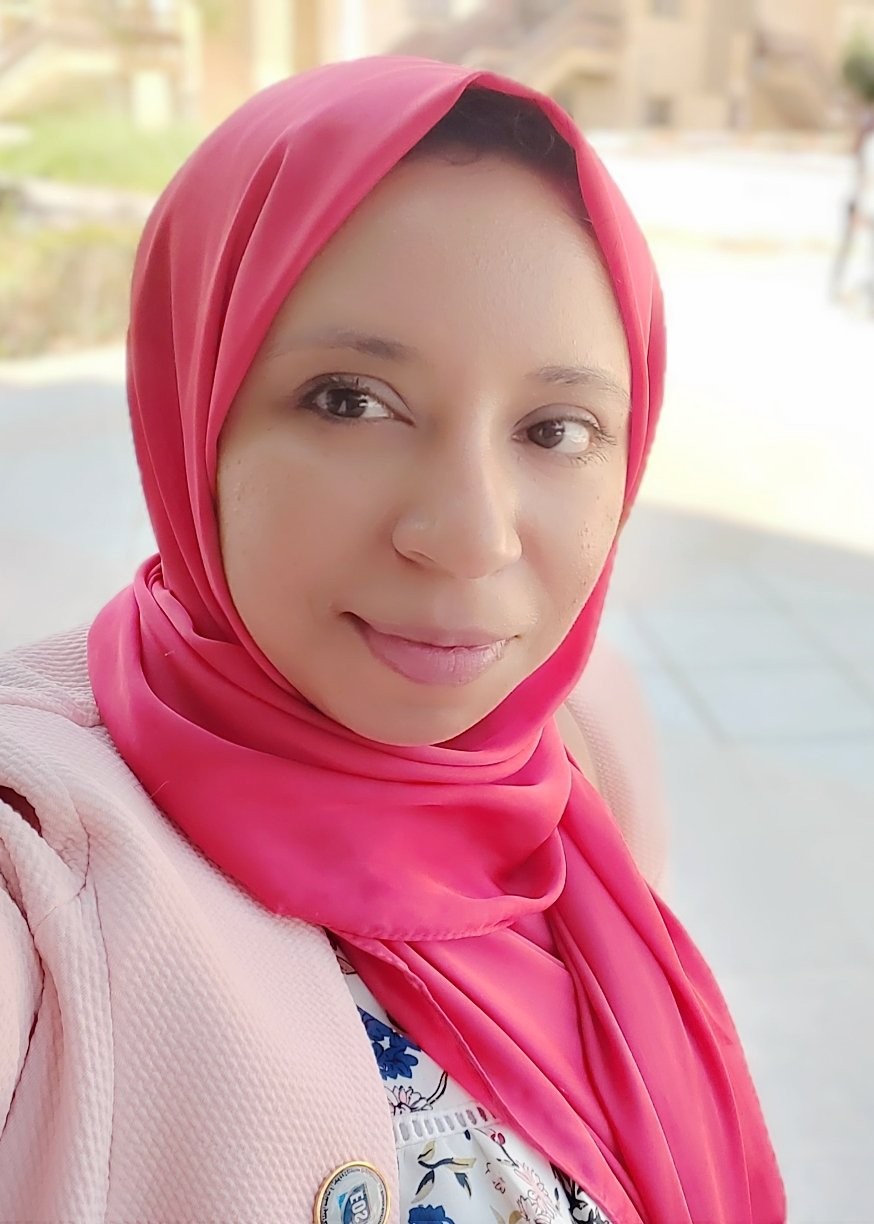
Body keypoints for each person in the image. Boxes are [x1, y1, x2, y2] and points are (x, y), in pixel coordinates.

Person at [0, 56, 785, 1224]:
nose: (469, 539)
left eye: (554, 429)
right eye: (349, 401)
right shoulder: (42, 859)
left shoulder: (576, 750)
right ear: (193, 411)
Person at [831, 103, 874, 308]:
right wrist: (861, 209)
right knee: (852, 248)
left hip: (861, 203)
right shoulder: (870, 144)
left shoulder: (867, 143)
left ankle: (842, 288)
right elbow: (865, 180)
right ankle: (840, 289)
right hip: (862, 203)